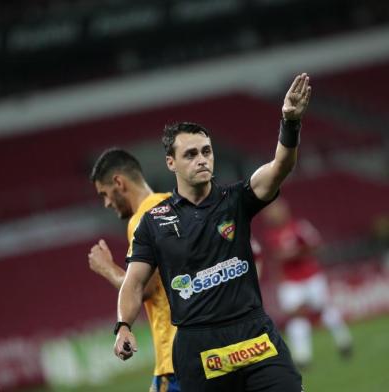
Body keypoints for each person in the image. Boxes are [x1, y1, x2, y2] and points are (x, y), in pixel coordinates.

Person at [114, 73, 311, 391]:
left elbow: (281, 166)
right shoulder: (154, 221)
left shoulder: (237, 199)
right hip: (199, 347)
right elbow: (134, 283)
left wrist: (290, 122)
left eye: (206, 151)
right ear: (171, 163)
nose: (202, 159)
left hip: (254, 335)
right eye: (190, 154)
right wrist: (123, 326)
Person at [88, 148, 180, 392]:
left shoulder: (141, 219)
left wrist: (106, 268)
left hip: (174, 355)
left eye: (104, 194)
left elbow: (144, 287)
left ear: (119, 182)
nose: (106, 203)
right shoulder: (172, 204)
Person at [260, 197, 353, 368]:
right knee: (295, 316)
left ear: (285, 211)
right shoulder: (270, 235)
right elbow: (276, 258)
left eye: (275, 211)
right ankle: (302, 357)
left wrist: (297, 252)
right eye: (270, 213)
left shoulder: (300, 227)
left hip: (311, 277)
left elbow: (317, 247)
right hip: (291, 282)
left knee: (323, 310)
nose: (272, 215)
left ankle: (344, 341)